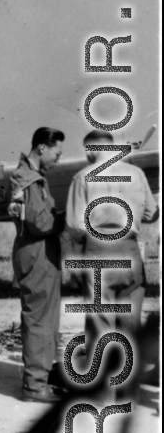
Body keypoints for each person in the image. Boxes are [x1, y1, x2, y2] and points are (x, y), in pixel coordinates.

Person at [62, 129, 159, 344]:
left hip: (98, 250)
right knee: (130, 320)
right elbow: (152, 214)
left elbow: (73, 225)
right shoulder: (137, 174)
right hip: (130, 249)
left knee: (100, 319)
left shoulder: (82, 177)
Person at [9, 127, 65, 403]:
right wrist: (70, 218)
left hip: (42, 253)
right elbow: (40, 222)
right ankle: (34, 387)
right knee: (40, 320)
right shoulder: (28, 178)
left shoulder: (33, 177)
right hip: (37, 252)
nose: (59, 158)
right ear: (42, 148)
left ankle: (42, 374)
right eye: (57, 152)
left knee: (47, 319)